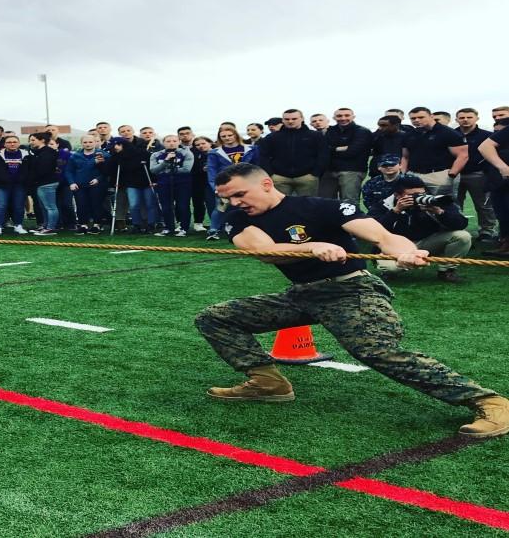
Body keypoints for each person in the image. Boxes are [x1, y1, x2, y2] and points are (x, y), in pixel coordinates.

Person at [194, 163, 508, 439]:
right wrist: (314, 247)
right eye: (228, 198)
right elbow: (265, 251)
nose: (234, 203)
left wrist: (406, 252)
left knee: (377, 351)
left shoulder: (322, 207)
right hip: (304, 293)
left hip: (352, 290)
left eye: (240, 194)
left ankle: (488, 401)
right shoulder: (237, 218)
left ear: (266, 184)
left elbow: (383, 237)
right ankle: (268, 384)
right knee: (215, 317)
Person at [375, 176, 471, 283]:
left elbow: (461, 224)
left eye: (421, 194)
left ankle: (447, 271)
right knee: (391, 268)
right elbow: (374, 230)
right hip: (395, 246)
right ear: (397, 195)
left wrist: (439, 212)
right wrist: (395, 211)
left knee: (463, 236)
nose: (418, 197)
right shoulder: (385, 204)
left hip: (427, 242)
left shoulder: (432, 201)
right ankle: (389, 272)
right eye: (412, 195)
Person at [205, 125, 259, 240]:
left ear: (236, 135)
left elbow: (257, 167)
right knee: (221, 208)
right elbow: (212, 171)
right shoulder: (214, 152)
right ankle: (213, 231)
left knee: (247, 207)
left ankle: (247, 229)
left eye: (230, 135)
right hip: (225, 185)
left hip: (247, 184)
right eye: (223, 136)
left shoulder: (251, 149)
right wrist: (216, 187)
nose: (227, 138)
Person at [258, 109, 328, 197]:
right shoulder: (272, 137)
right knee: (281, 204)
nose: (290, 121)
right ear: (283, 120)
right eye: (287, 119)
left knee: (308, 203)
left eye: (294, 119)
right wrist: (270, 174)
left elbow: (323, 154)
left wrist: (316, 173)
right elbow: (263, 156)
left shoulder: (315, 135)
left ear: (302, 119)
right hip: (279, 178)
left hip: (307, 177)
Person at [401, 107, 468, 195]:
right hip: (414, 175)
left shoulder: (448, 133)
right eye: (413, 118)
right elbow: (405, 156)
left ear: (431, 116)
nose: (416, 120)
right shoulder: (409, 135)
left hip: (440, 175)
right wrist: (403, 174)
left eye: (421, 117)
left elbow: (463, 155)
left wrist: (451, 175)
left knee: (444, 202)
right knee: (415, 202)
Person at [454, 108, 497, 242]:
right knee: (455, 204)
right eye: (462, 118)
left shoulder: (487, 136)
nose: (465, 120)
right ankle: (457, 231)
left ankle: (487, 231)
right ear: (456, 120)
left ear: (477, 118)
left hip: (478, 174)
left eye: (469, 117)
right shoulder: (451, 135)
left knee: (483, 205)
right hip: (455, 174)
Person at [319, 107, 372, 205]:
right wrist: (339, 148)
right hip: (329, 170)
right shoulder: (329, 131)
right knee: (325, 201)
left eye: (347, 115)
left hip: (352, 170)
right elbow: (322, 149)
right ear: (334, 118)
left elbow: (352, 151)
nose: (343, 118)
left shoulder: (362, 131)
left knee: (349, 203)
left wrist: (332, 149)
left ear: (353, 117)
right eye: (339, 116)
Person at [150, 135, 195, 236]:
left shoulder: (186, 153)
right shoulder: (156, 155)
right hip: (164, 184)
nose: (171, 143)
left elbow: (186, 169)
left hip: (182, 184)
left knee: (183, 206)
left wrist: (167, 170)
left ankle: (184, 228)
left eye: (174, 141)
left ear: (179, 142)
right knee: (166, 207)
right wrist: (166, 161)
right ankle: (168, 228)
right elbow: (154, 170)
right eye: (168, 141)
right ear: (164, 143)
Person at [110, 134, 155, 234]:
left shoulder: (142, 153)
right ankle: (136, 225)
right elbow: (113, 171)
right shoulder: (116, 157)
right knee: (134, 205)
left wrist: (154, 180)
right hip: (131, 184)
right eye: (114, 145)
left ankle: (150, 224)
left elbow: (151, 168)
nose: (116, 147)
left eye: (118, 145)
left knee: (149, 204)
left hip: (147, 182)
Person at [478, 118, 509, 257]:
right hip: (502, 181)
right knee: (504, 213)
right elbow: (485, 146)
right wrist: (503, 167)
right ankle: (505, 245)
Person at [65, 135, 108, 234]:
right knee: (81, 204)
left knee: (96, 204)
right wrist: (71, 182)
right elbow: (69, 171)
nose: (88, 144)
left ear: (95, 142)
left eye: (90, 142)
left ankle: (97, 225)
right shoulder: (75, 156)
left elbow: (107, 171)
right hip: (79, 185)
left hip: (96, 184)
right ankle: (83, 225)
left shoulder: (103, 155)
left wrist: (98, 179)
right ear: (81, 143)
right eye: (85, 142)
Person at [24, 132, 60, 235]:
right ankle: (45, 226)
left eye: (33, 140)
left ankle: (50, 228)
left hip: (47, 183)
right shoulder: (40, 152)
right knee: (44, 207)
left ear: (42, 140)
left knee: (50, 207)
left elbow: (43, 170)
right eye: (30, 140)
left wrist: (32, 178)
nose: (31, 142)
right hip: (41, 183)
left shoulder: (47, 153)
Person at [360, 155, 418, 219]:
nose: (388, 167)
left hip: (406, 215)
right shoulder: (371, 183)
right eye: (385, 165)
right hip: (380, 215)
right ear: (379, 167)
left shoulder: (412, 181)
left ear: (400, 165)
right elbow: (368, 202)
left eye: (392, 165)